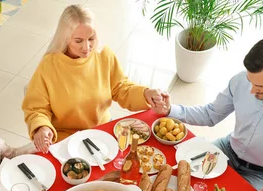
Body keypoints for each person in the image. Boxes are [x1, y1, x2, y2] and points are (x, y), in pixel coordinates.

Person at [158, 37, 263, 191]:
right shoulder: (241, 80)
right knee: (179, 176)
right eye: (250, 81)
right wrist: (170, 109)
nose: (251, 91)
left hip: (261, 174)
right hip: (226, 148)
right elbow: (210, 114)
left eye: (261, 86)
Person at [22, 5, 168, 153]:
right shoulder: (49, 66)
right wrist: (42, 127)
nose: (87, 47)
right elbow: (37, 108)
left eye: (91, 38)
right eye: (78, 41)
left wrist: (145, 94)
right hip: (65, 139)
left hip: (101, 132)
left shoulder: (103, 54)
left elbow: (120, 88)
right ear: (65, 38)